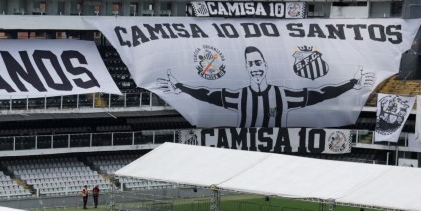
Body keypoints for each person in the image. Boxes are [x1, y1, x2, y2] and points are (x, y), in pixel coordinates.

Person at [155, 46, 374, 127]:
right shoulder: (237, 96)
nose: (255, 68)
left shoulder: (283, 95)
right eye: (251, 64)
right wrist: (181, 87)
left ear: (265, 65)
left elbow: (321, 93)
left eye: (258, 63)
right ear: (247, 68)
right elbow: (207, 94)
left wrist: (353, 83)